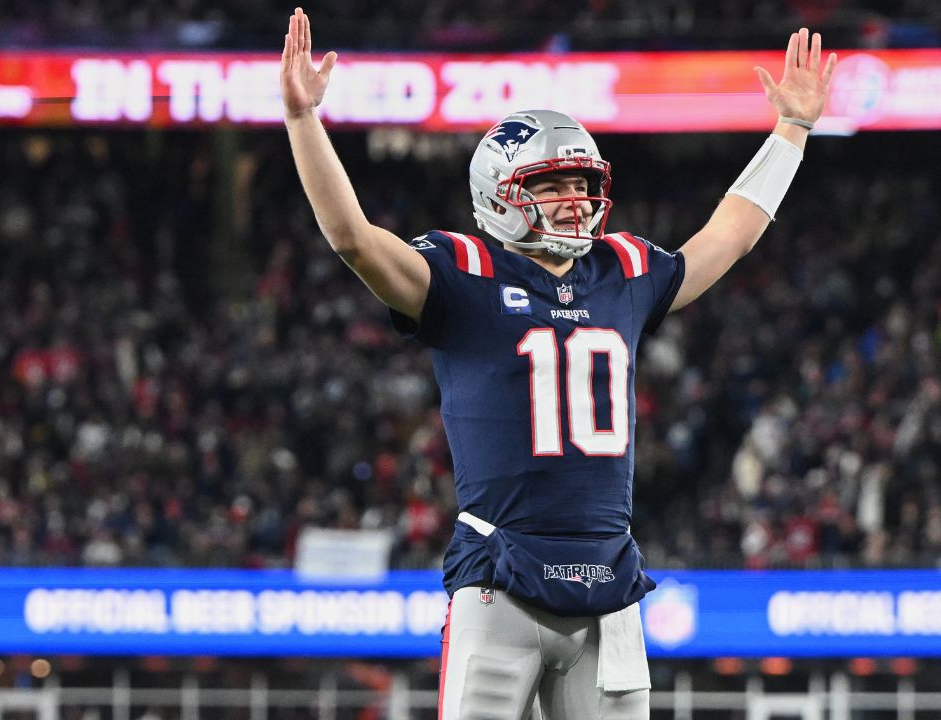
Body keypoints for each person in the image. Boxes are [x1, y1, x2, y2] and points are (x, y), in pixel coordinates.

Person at [279, 7, 835, 718]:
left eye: (581, 184)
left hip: (609, 580)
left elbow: (729, 236)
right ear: (499, 195)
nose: (574, 202)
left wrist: (792, 131)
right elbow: (354, 240)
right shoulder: (463, 273)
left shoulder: (621, 270)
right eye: (551, 186)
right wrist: (303, 120)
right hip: (499, 575)